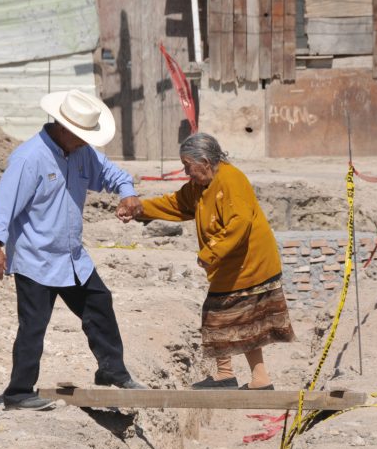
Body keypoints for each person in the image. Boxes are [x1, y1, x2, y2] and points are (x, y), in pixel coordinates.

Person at [0, 89, 146, 411]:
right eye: (83, 136)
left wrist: (128, 193)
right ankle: (18, 393)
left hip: (71, 257)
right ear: (63, 128)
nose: (88, 142)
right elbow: (2, 206)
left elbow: (111, 173)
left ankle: (112, 370)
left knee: (99, 302)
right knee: (34, 325)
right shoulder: (29, 158)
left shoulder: (82, 152)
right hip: (36, 258)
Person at [119, 133, 295, 390]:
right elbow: (176, 205)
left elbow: (240, 222)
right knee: (242, 319)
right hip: (233, 264)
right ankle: (257, 379)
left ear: (204, 161)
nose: (186, 171)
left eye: (187, 165)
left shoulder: (231, 180)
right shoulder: (200, 187)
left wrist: (209, 253)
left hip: (250, 262)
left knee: (221, 315)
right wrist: (139, 209)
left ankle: (229, 376)